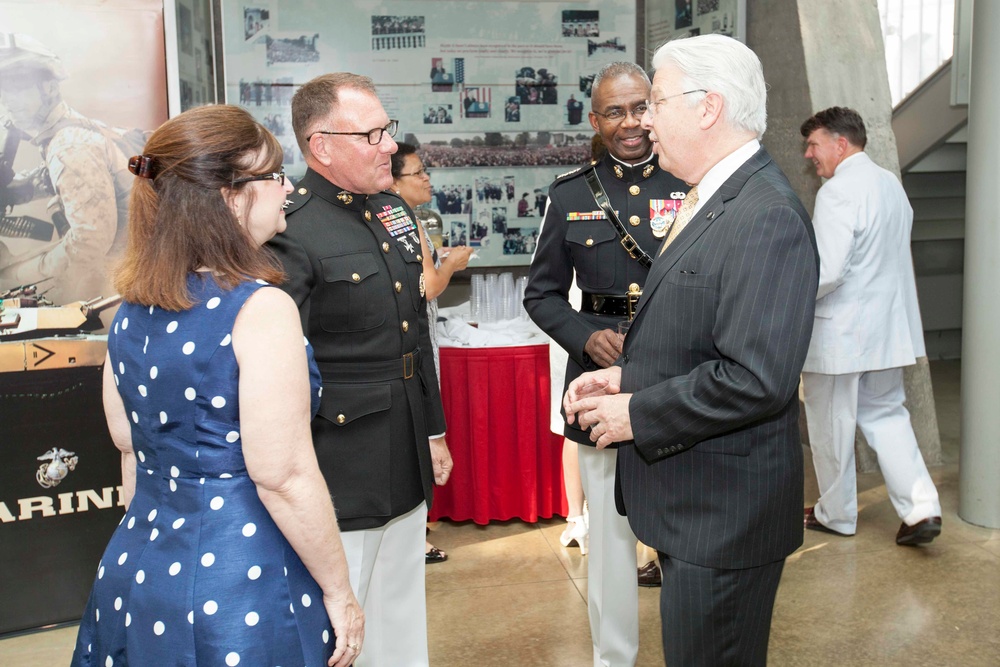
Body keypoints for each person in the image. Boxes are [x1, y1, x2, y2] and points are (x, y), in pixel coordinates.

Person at [70, 104, 363, 667]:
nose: (286, 190)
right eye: (275, 176)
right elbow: (282, 475)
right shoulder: (259, 309)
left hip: (139, 568)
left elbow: (129, 450)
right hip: (240, 580)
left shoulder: (129, 310)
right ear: (230, 196)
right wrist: (339, 591)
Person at [564, 35, 818, 665]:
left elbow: (757, 378)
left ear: (709, 107)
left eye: (657, 101)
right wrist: (626, 377)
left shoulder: (763, 214)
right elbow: (699, 334)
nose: (645, 119)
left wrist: (637, 413)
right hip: (698, 507)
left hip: (725, 518)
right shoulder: (715, 197)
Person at [266, 72, 449, 667]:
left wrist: (432, 427)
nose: (390, 147)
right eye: (372, 135)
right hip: (338, 462)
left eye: (387, 130)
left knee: (400, 615)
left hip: (402, 449)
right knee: (342, 628)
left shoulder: (392, 211)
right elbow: (278, 367)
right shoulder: (288, 228)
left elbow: (415, 330)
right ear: (321, 146)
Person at [524, 61, 687, 667]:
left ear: (658, 107)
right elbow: (539, 293)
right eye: (614, 112)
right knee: (613, 538)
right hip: (598, 382)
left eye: (640, 107)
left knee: (685, 529)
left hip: (676, 377)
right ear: (595, 121)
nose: (630, 123)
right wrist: (584, 337)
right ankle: (613, 657)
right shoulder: (570, 194)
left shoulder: (690, 183)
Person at [799, 106, 942, 545]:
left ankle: (837, 514)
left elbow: (828, 271)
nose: (809, 154)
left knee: (830, 426)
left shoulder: (838, 191)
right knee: (886, 416)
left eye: (814, 144)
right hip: (888, 332)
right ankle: (922, 509)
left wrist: (786, 298)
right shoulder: (890, 184)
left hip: (841, 334)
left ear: (841, 144)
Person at [0, 33, 143, 305]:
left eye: (18, 86)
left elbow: (88, 244)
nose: (8, 100)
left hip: (123, 287)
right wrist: (20, 190)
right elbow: (61, 178)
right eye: (3, 88)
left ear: (50, 88)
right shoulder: (72, 130)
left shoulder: (68, 146)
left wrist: (17, 275)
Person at [390, 142, 473, 564]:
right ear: (394, 180)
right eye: (418, 172)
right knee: (421, 425)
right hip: (415, 339)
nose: (427, 179)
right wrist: (453, 264)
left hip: (417, 335)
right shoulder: (403, 220)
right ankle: (417, 533)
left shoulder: (403, 217)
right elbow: (430, 286)